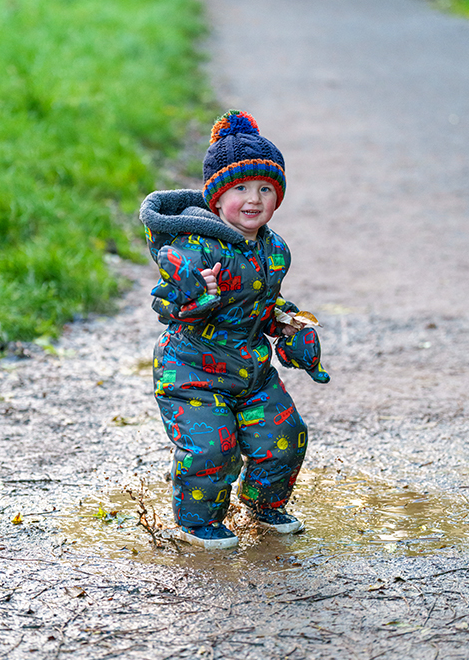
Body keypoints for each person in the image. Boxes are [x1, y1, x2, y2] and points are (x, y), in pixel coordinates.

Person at [139, 110, 329, 550]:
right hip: (190, 371)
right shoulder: (193, 247)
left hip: (251, 367)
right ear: (216, 198)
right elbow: (166, 307)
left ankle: (264, 504)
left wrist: (288, 325)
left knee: (286, 438)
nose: (254, 199)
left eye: (266, 189)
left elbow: (263, 303)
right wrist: (196, 295)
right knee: (211, 450)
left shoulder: (274, 249)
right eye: (240, 188)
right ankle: (198, 522)